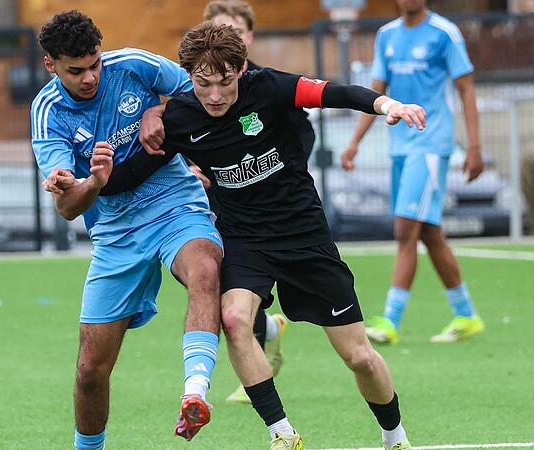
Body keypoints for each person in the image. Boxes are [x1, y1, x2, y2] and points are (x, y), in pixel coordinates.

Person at [102, 22, 423, 450]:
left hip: (304, 234)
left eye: (225, 83)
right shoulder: (180, 116)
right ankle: (282, 434)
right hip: (245, 239)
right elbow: (134, 173)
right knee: (234, 319)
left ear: (241, 71)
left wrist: (387, 105)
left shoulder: (269, 87)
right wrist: (93, 182)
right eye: (203, 84)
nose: (214, 95)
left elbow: (334, 92)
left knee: (359, 356)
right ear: (190, 77)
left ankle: (395, 436)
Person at [30, 11, 224, 448]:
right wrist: (93, 182)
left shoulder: (134, 65)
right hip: (116, 231)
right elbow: (65, 207)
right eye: (75, 71)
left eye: (95, 64)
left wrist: (160, 108)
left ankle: (195, 393)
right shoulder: (48, 112)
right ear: (51, 65)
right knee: (90, 369)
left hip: (175, 201)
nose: (90, 78)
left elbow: (202, 94)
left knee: (204, 270)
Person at [341, 0, 485, 345]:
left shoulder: (444, 34)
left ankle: (389, 321)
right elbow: (374, 95)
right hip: (400, 147)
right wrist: (355, 142)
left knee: (405, 228)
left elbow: (466, 90)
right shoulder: (386, 35)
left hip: (431, 145)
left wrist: (475, 147)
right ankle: (466, 314)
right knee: (429, 232)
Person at [203, 0, 314, 405]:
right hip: (217, 206)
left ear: (249, 37)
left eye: (235, 31)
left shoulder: (270, 87)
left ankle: (260, 376)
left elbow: (302, 137)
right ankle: (265, 332)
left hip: (272, 215)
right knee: (210, 289)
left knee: (232, 300)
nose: (227, 38)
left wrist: (277, 177)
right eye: (219, 31)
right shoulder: (199, 88)